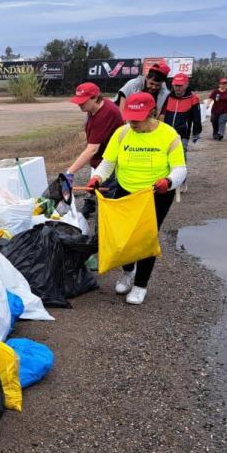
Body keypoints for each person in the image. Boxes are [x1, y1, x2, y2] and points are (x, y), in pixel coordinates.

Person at [88, 92, 187, 305]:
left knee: (145, 238)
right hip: (126, 190)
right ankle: (127, 271)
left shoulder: (169, 136)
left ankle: (140, 285)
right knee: (125, 236)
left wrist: (168, 182)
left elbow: (180, 169)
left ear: (151, 113)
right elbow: (108, 162)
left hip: (155, 194)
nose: (132, 122)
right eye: (130, 117)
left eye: (138, 118)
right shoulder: (122, 133)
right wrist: (97, 176)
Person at [63, 82, 124, 215]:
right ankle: (94, 208)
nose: (79, 104)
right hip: (101, 160)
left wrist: (70, 171)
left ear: (95, 98)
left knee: (108, 200)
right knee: (96, 190)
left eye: (83, 101)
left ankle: (104, 231)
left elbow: (92, 149)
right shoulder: (94, 109)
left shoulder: (105, 114)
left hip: (110, 162)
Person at [161, 73, 202, 150]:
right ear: (172, 85)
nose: (178, 88)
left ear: (186, 85)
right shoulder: (168, 96)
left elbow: (197, 117)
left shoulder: (193, 98)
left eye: (180, 85)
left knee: (181, 154)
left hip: (183, 134)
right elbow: (162, 114)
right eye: (176, 85)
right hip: (167, 133)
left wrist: (196, 132)